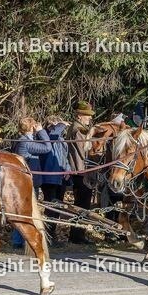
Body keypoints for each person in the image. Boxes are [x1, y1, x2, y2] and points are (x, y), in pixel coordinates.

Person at [13, 117, 53, 250]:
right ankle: (20, 241)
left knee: (21, 210)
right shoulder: (26, 143)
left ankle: (18, 241)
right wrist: (41, 131)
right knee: (25, 211)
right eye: (34, 125)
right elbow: (47, 147)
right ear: (31, 128)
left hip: (26, 181)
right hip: (27, 182)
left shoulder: (23, 141)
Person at [66, 101, 97, 244]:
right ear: (79, 116)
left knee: (83, 202)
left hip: (82, 170)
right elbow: (83, 150)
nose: (89, 118)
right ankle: (77, 235)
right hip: (81, 170)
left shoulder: (81, 128)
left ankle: (79, 234)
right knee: (81, 203)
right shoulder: (78, 129)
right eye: (87, 116)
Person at [40, 116, 70, 204]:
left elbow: (65, 157)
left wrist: (68, 169)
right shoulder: (45, 137)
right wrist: (61, 125)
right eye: (56, 127)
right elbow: (53, 135)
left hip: (61, 176)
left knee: (59, 203)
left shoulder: (61, 140)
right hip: (49, 177)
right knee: (50, 203)